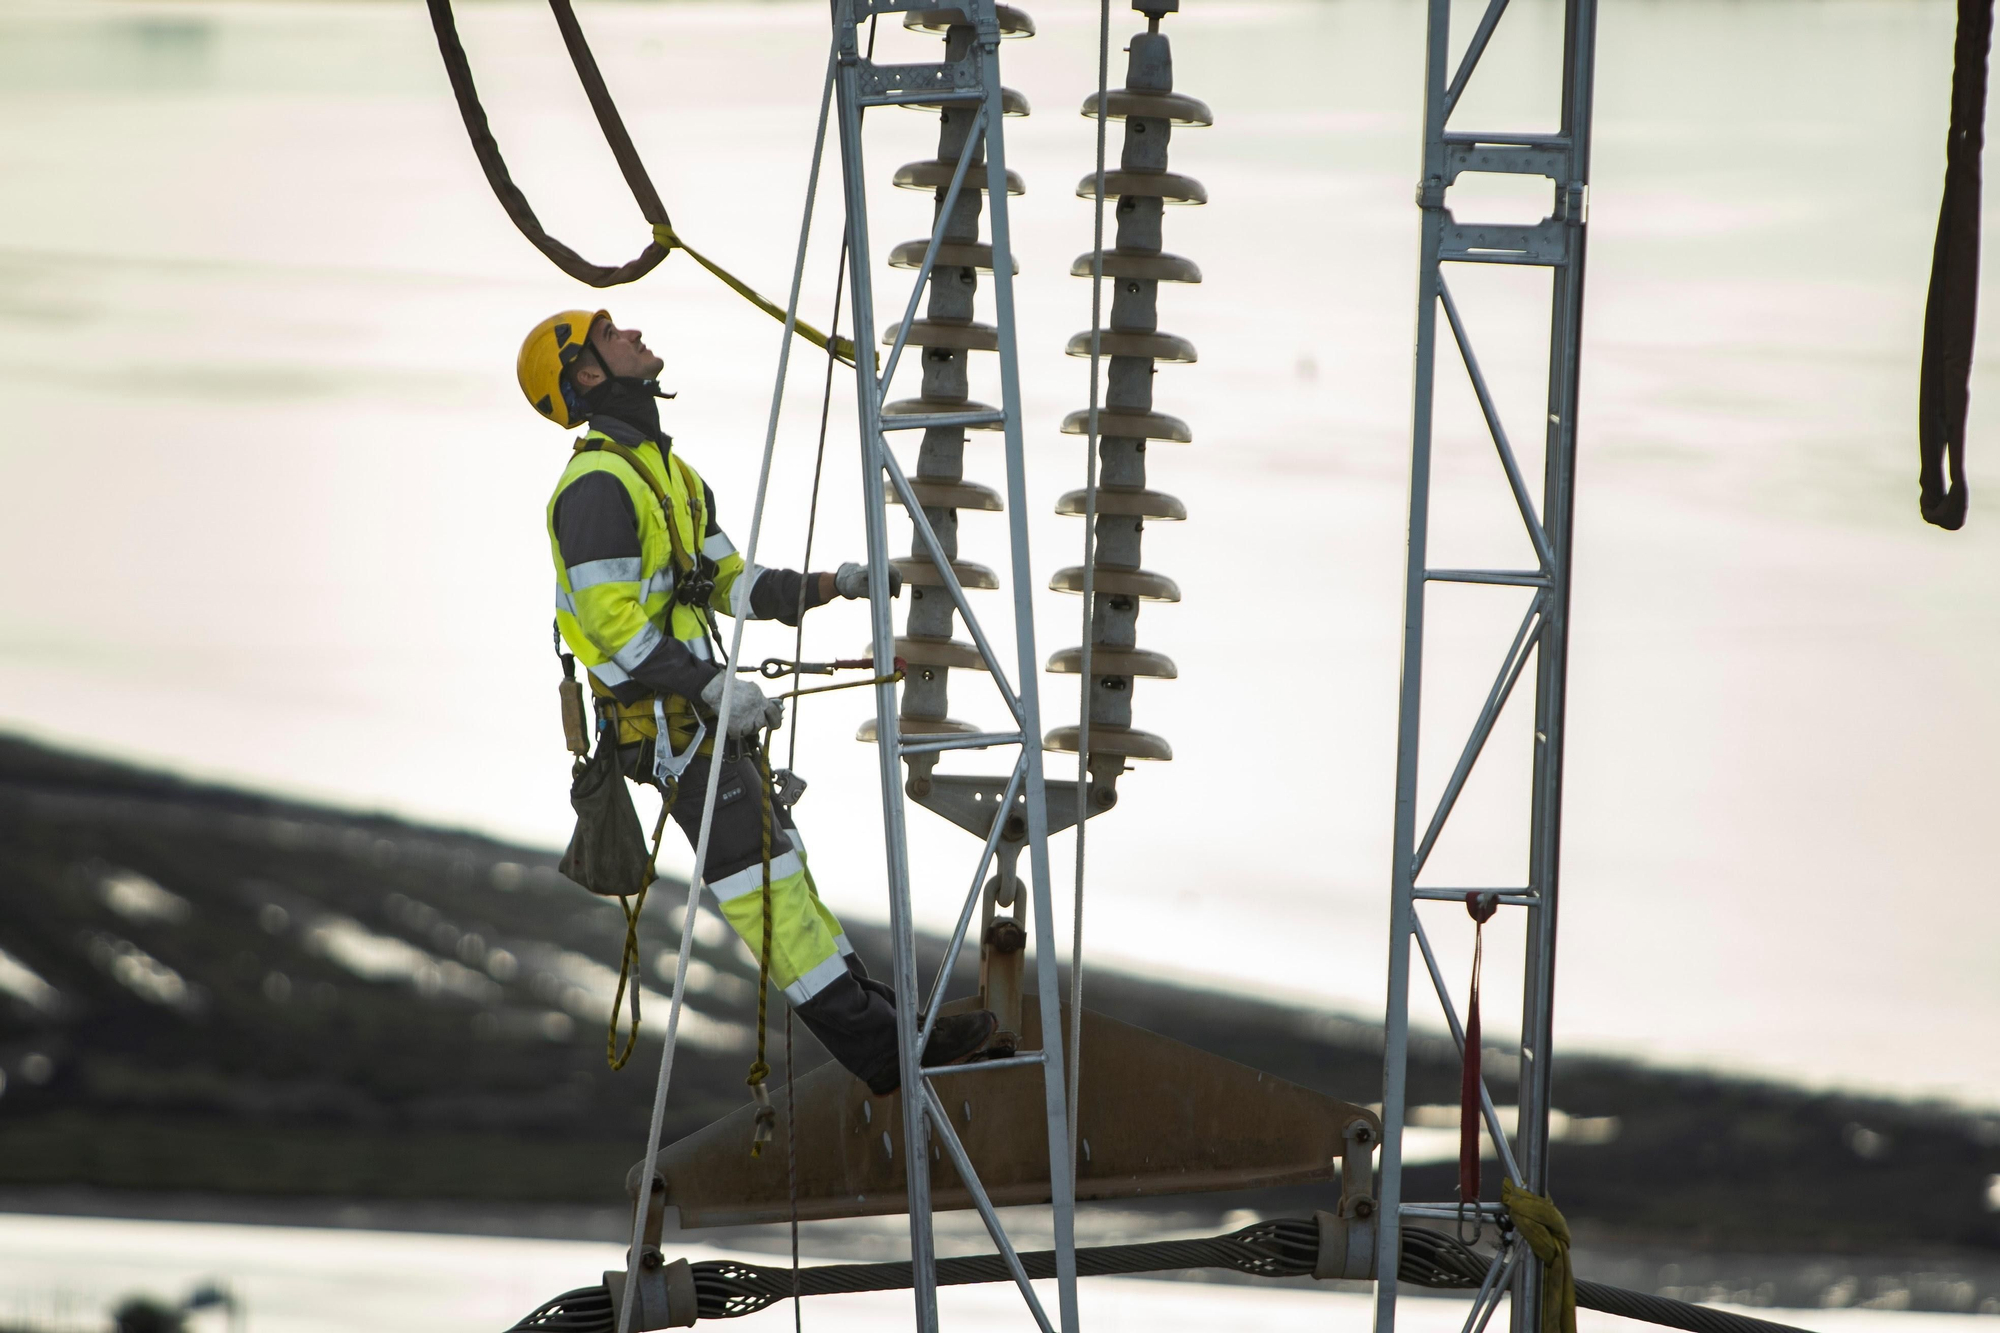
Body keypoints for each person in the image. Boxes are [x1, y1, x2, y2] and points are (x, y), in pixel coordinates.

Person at [518, 309, 995, 1096]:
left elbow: (728, 581)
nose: (633, 330)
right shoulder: (598, 484)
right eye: (611, 334)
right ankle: (885, 1052)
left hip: (701, 726)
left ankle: (892, 1030)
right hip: (672, 732)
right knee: (767, 896)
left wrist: (827, 586)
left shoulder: (661, 472)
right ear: (589, 376)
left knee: (788, 879)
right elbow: (611, 626)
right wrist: (710, 685)